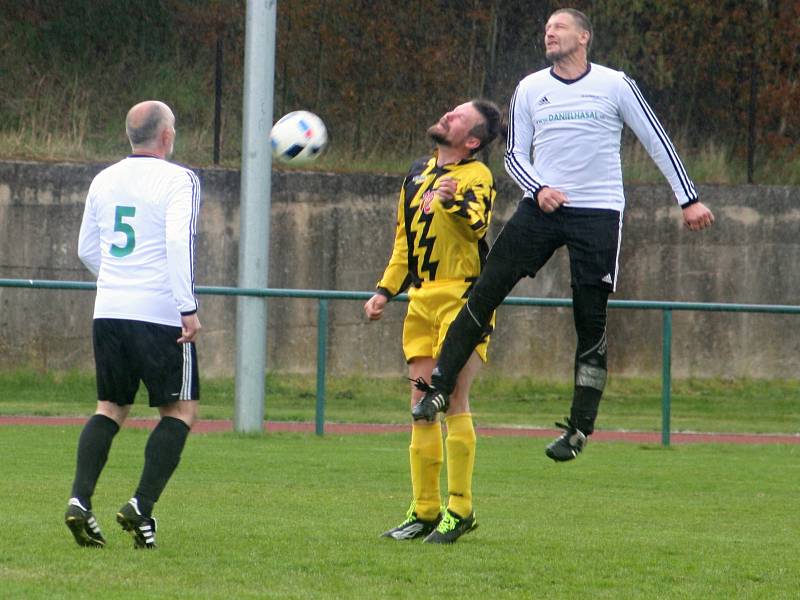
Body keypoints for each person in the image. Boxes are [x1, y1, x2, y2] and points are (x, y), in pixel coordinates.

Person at [413, 8, 714, 462]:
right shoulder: (530, 87)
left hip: (598, 212)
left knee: (589, 318)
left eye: (559, 27)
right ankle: (437, 390)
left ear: (584, 36)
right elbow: (515, 152)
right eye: (546, 28)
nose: (549, 33)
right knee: (485, 290)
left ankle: (578, 429)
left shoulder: (615, 84)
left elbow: (656, 138)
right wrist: (540, 189)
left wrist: (687, 199)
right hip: (542, 208)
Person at [64, 100, 202, 549]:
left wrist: (120, 282)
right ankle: (141, 506)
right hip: (160, 312)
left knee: (110, 407)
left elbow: (87, 248)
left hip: (109, 309)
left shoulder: (104, 179)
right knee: (179, 412)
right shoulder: (180, 179)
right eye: (174, 128)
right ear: (165, 136)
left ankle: (80, 501)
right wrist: (186, 306)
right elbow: (177, 241)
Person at [364, 99, 501, 544]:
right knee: (420, 406)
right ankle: (424, 509)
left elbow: (478, 226)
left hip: (463, 298)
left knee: (452, 399)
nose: (447, 115)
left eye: (458, 117)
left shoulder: (476, 176)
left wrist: (456, 202)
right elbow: (404, 242)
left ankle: (460, 508)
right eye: (449, 111)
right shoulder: (416, 174)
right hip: (420, 300)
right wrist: (385, 291)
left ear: (472, 140)